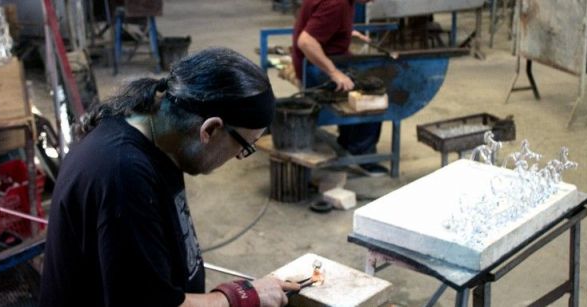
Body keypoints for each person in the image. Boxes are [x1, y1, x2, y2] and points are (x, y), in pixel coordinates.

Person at [40, 47, 300, 307]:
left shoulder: (160, 138)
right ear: (209, 129)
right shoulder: (122, 175)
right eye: (246, 146)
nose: (239, 156)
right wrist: (239, 298)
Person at [292, 0, 389, 176]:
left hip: (318, 61)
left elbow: (322, 23)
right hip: (314, 69)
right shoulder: (336, 4)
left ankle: (348, 142)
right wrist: (334, 72)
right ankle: (360, 155)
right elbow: (306, 42)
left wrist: (347, 32)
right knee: (373, 95)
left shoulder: (343, 3)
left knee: (361, 79)